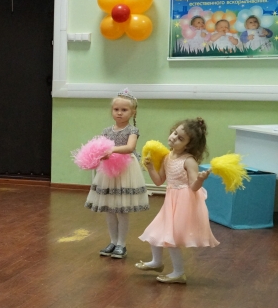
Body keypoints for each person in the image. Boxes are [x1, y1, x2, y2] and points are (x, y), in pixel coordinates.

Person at [137, 118, 219, 284]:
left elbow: (194, 187)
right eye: (175, 133)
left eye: (180, 138)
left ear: (188, 145)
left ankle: (179, 273)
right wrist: (151, 168)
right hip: (171, 200)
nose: (174, 138)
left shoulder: (189, 161)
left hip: (184, 202)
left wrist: (201, 179)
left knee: (171, 237)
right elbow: (159, 181)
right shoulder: (168, 157)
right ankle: (156, 262)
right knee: (155, 231)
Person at [84, 89, 149, 259]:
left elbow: (130, 148)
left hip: (126, 170)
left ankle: (122, 244)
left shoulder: (132, 130)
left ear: (133, 112)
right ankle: (113, 241)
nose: (119, 113)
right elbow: (101, 148)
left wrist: (112, 150)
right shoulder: (107, 131)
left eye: (124, 110)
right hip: (109, 171)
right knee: (110, 210)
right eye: (116, 109)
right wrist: (98, 155)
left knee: (121, 209)